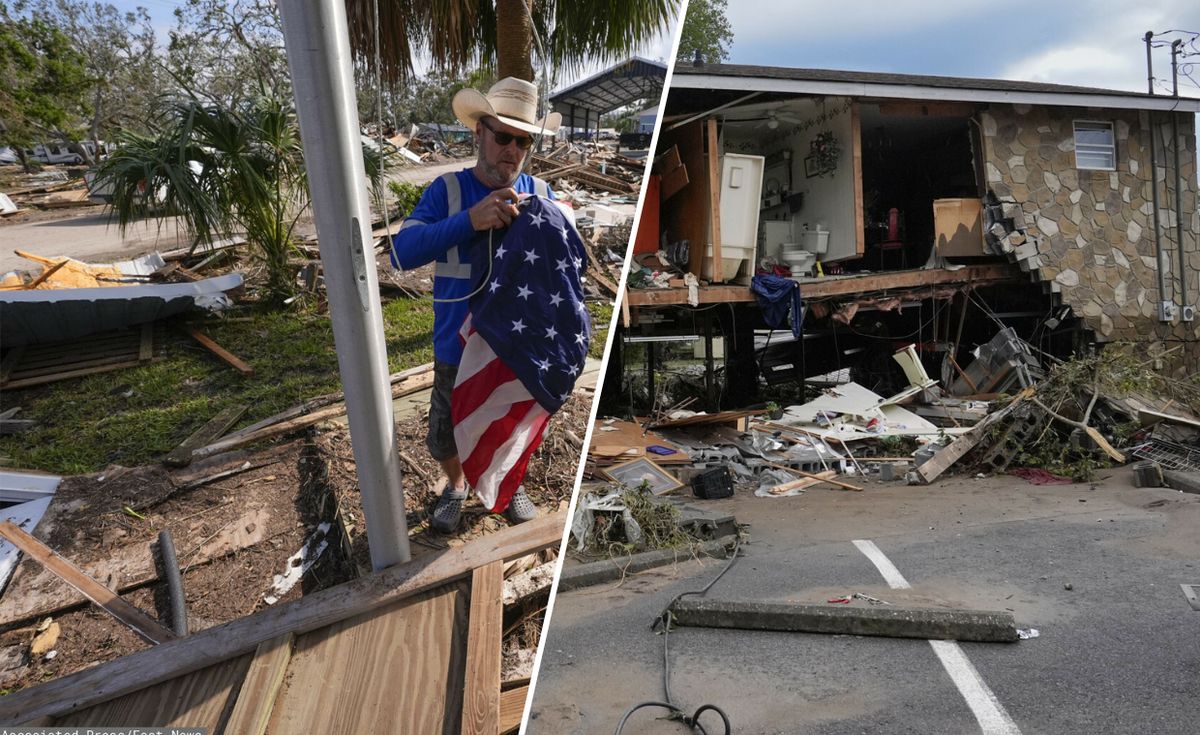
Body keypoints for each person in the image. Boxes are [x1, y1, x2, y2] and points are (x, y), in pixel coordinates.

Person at [390, 77, 562, 533]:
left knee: (515, 424)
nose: (512, 148)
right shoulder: (446, 192)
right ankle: (457, 486)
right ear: (478, 134)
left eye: (522, 140)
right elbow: (402, 253)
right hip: (457, 344)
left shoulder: (542, 195)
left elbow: (563, 271)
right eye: (502, 135)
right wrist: (470, 220)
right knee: (444, 433)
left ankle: (508, 484)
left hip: (517, 345)